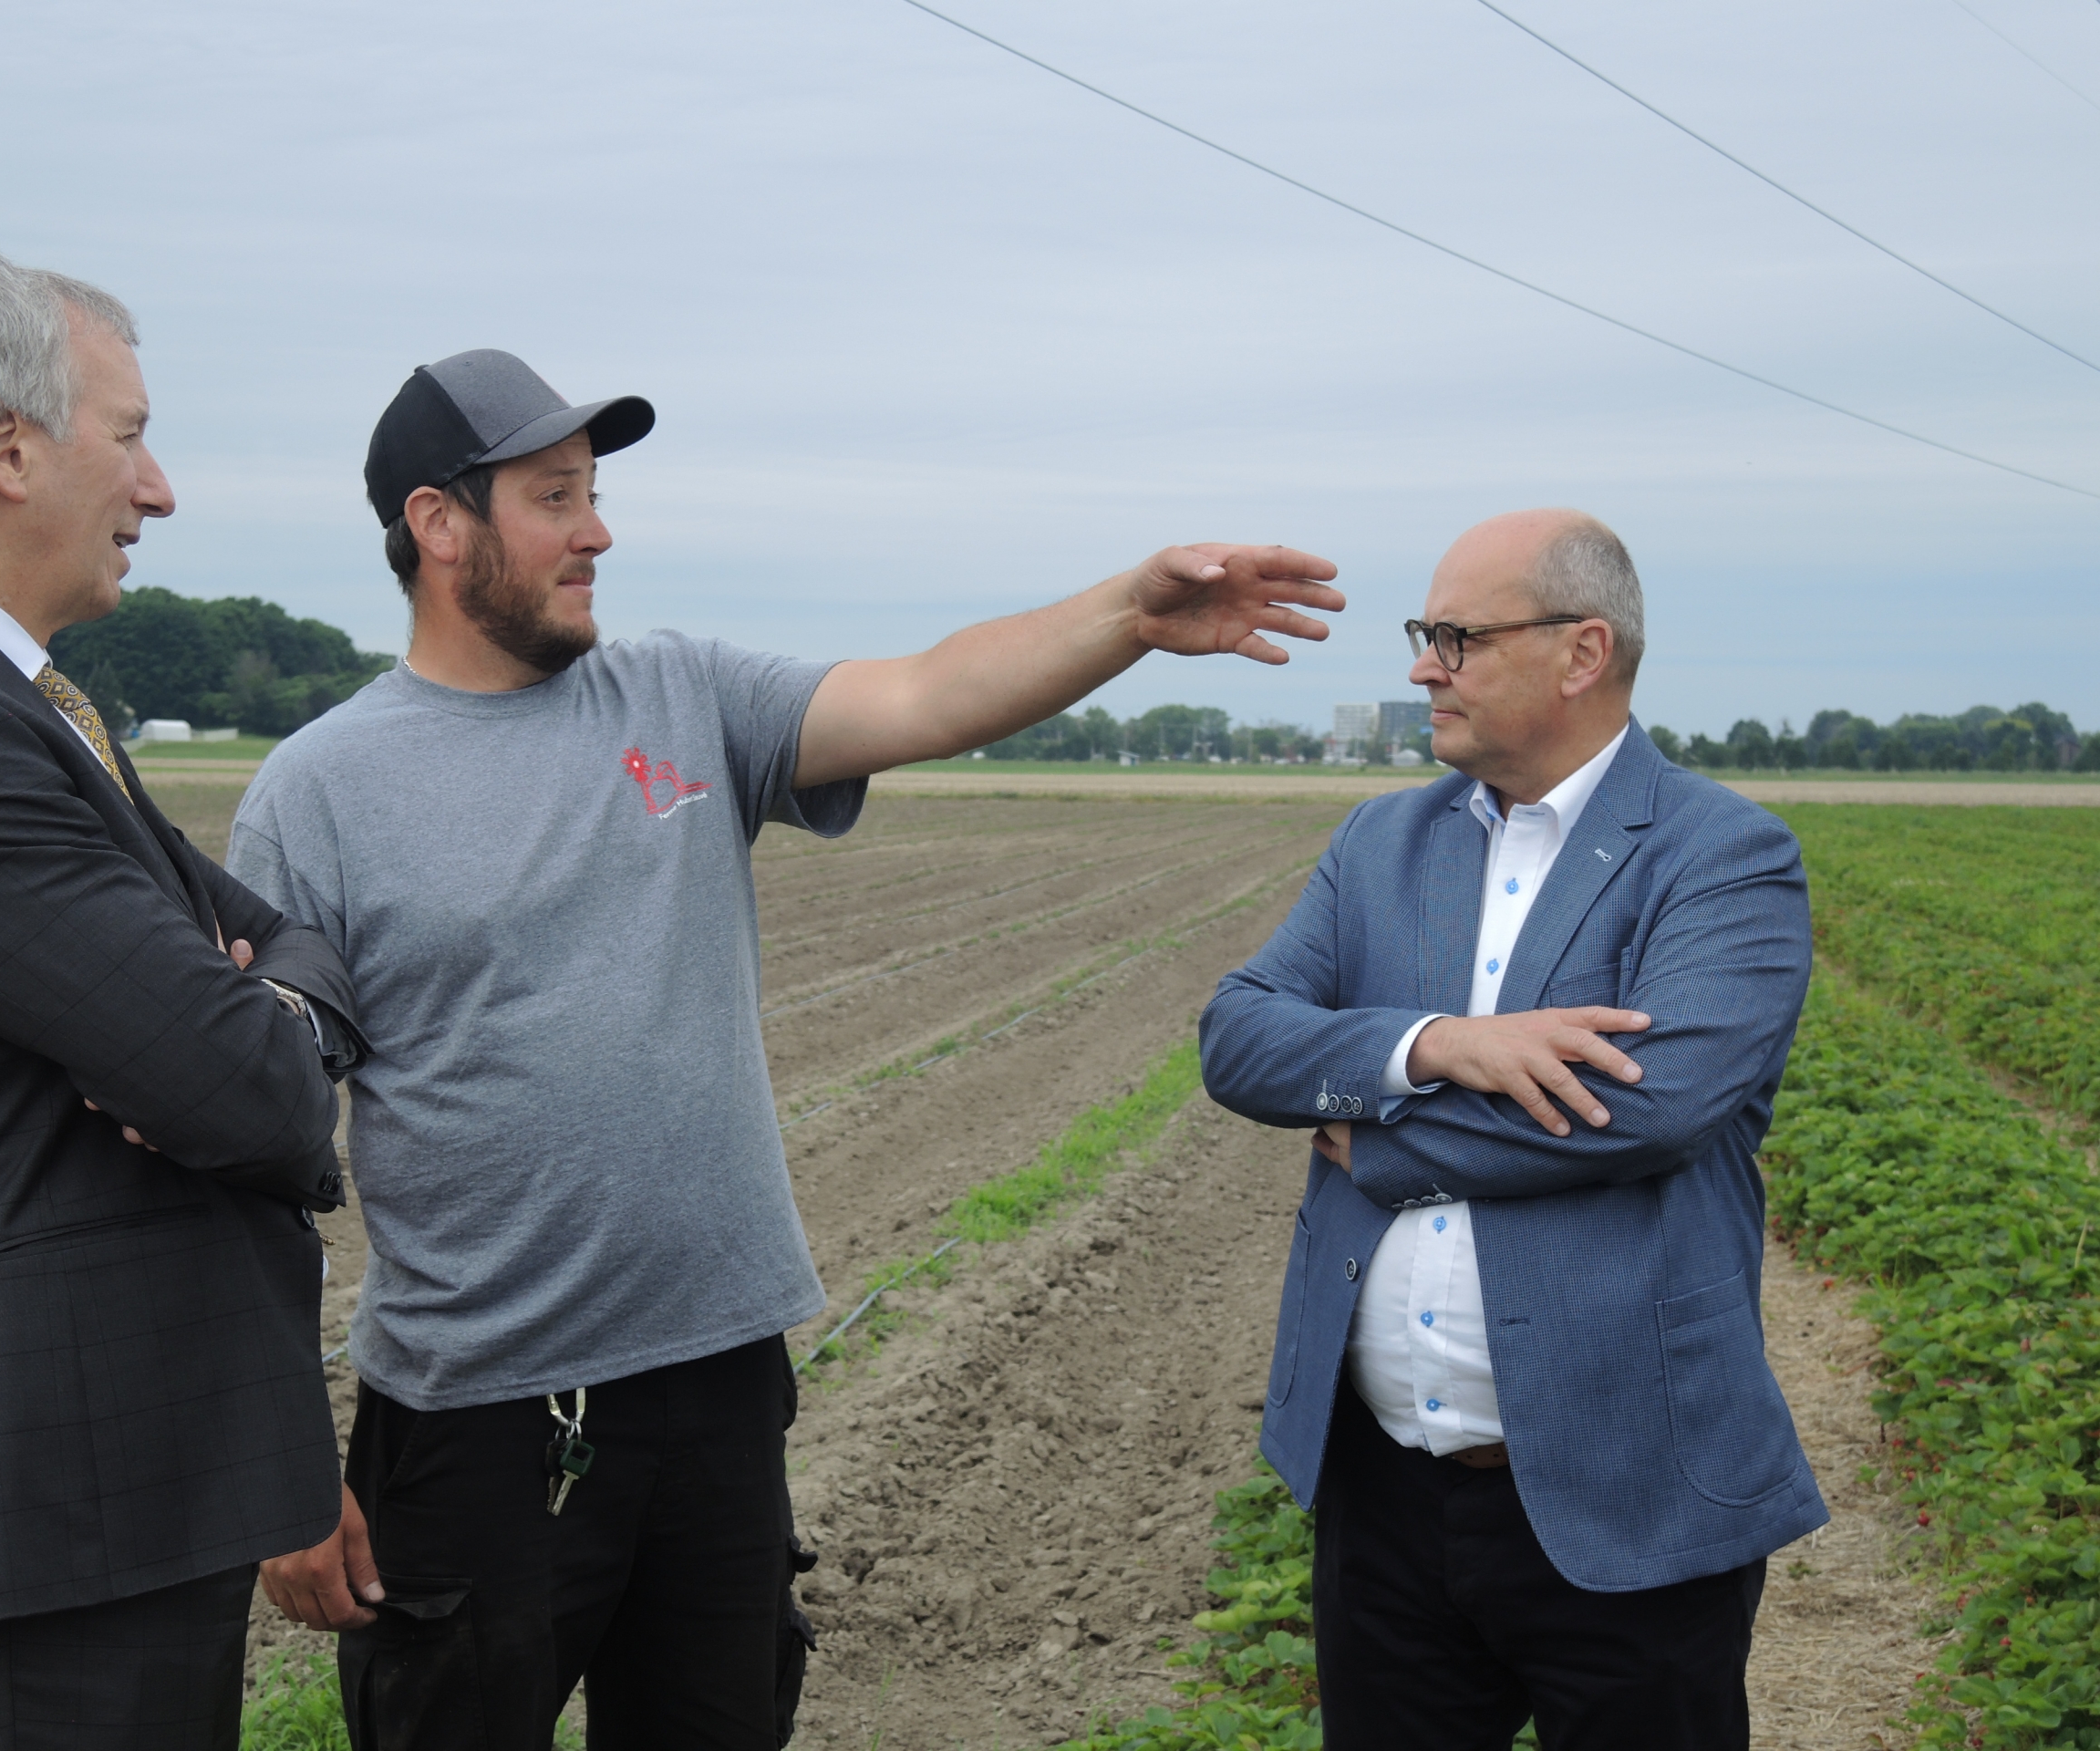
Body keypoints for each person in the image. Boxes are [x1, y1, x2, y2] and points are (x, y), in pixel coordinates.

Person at [229, 347, 1343, 1747]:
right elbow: (258, 1150)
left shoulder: (681, 697)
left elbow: (930, 693)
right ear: (440, 527)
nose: (598, 530)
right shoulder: (317, 793)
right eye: (555, 496)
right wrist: (273, 1455)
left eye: (595, 492)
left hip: (714, 1388)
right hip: (479, 1424)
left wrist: (1129, 611)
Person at [0, 245, 367, 1750]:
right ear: (7, 445)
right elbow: (243, 1089)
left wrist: (261, 1011)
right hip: (39, 1527)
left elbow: (284, 949)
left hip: (90, 1509)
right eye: (132, 433)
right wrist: (256, 1037)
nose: (158, 489)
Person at [1199, 510, 1825, 1750]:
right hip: (1384, 1494)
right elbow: (1240, 1036)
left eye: (1456, 638)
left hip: (1628, 1487)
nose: (1424, 666)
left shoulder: (1722, 856)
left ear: (1582, 652)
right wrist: (1434, 1046)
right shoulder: (1384, 840)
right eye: (1425, 636)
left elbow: (1647, 1109)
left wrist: (1373, 1140)